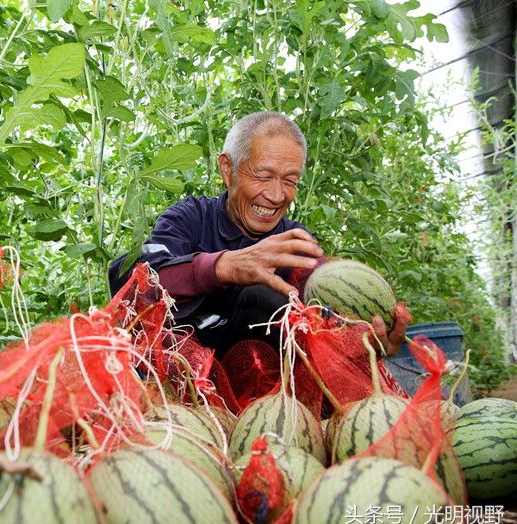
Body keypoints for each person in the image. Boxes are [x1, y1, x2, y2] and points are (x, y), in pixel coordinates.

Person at [109, 111, 411, 358]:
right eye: (263, 176)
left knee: (270, 298)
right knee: (259, 296)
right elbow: (132, 286)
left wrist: (364, 339)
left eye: (290, 180)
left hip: (271, 400)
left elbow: (325, 311)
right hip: (188, 387)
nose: (277, 195)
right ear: (228, 169)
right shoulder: (188, 219)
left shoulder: (295, 240)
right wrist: (224, 266)